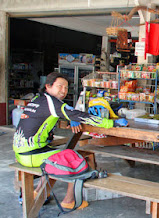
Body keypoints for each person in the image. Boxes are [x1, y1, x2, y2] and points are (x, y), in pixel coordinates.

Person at [13, 72, 128, 209]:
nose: (63, 91)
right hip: (32, 154)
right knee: (76, 161)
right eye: (60, 86)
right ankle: (69, 201)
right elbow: (79, 115)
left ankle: (38, 193)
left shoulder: (38, 99)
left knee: (60, 155)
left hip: (22, 152)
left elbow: (61, 115)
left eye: (66, 88)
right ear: (48, 86)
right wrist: (111, 123)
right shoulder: (52, 103)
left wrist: (71, 117)